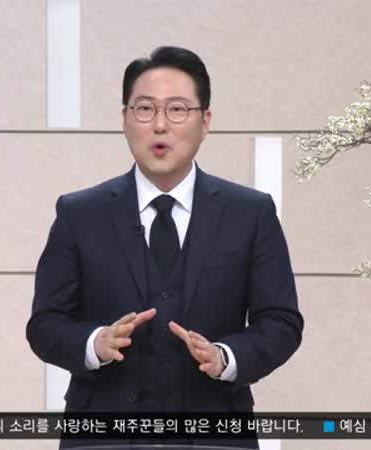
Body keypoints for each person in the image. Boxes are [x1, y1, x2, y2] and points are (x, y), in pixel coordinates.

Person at [26, 46, 304, 449]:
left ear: (205, 122)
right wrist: (94, 344)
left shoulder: (250, 213)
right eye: (144, 109)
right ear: (124, 119)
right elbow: (45, 324)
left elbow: (281, 321)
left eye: (177, 110)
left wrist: (226, 357)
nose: (160, 125)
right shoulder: (79, 213)